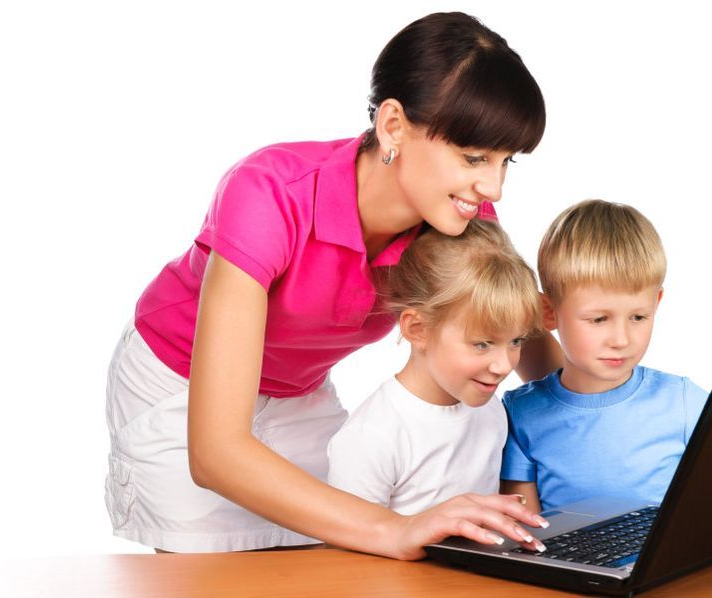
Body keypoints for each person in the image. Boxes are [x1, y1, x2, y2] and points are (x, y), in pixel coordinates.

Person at [106, 12, 557, 559]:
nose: (493, 187)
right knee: (213, 569)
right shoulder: (270, 193)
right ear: (393, 126)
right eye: (473, 158)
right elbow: (216, 453)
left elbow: (515, 328)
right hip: (178, 384)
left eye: (506, 161)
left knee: (330, 563)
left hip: (299, 392)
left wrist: (604, 412)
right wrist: (395, 529)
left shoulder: (461, 215)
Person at [325, 220, 551, 552]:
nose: (504, 366)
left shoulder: (489, 408)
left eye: (515, 341)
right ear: (418, 329)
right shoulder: (372, 436)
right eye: (482, 344)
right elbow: (346, 556)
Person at [499, 200, 709, 513]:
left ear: (657, 301)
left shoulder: (684, 403)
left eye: (639, 317)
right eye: (599, 319)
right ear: (548, 312)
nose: (621, 340)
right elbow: (526, 532)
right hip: (568, 562)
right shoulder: (520, 414)